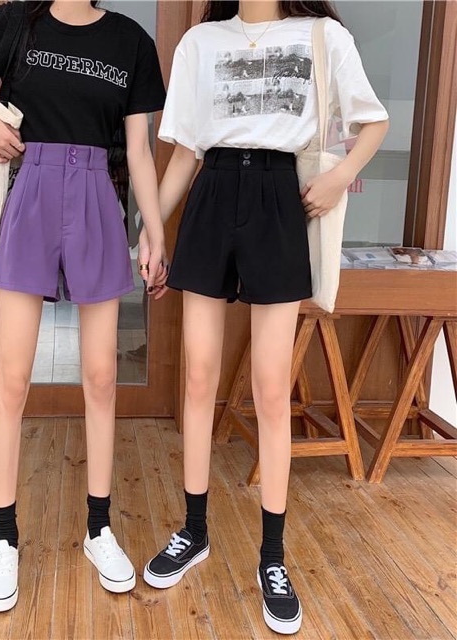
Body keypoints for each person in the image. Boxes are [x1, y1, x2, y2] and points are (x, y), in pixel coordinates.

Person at [0, 0, 167, 612]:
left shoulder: (130, 40)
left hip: (99, 195)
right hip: (30, 193)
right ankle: (4, 537)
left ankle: (99, 529)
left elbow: (139, 150)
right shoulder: (16, 21)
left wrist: (154, 231)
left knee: (101, 377)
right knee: (13, 379)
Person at [143, 0, 389, 634]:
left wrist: (340, 177)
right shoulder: (201, 41)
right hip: (211, 194)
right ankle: (194, 530)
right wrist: (152, 230)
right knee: (198, 377)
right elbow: (186, 152)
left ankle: (271, 556)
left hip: (281, 197)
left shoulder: (322, 35)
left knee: (272, 390)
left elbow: (373, 121)